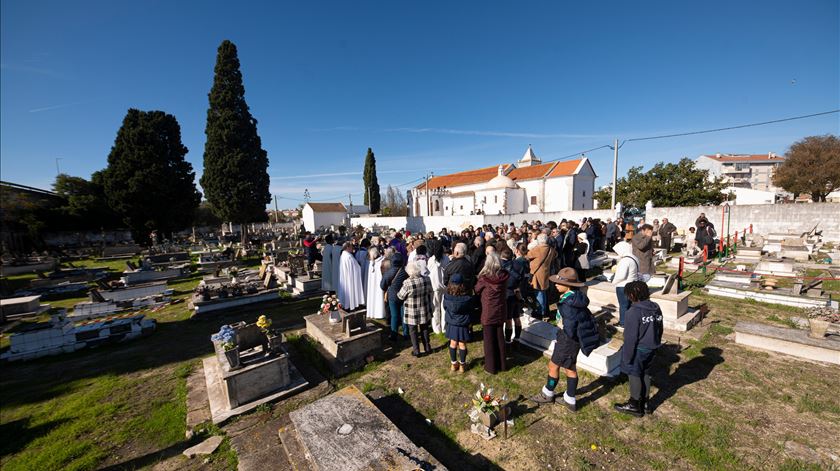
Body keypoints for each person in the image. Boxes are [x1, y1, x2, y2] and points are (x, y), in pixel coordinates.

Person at [530, 268, 600, 411]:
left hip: (568, 340)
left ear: (568, 285)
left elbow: (570, 326)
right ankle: (570, 398)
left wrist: (562, 336)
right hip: (573, 340)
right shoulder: (576, 297)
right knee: (570, 367)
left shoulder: (568, 304)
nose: (555, 285)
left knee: (553, 366)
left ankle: (548, 393)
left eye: (558, 283)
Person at [614, 281, 663, 417]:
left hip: (638, 349)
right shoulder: (655, 307)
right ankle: (646, 403)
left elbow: (631, 338)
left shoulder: (633, 312)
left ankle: (634, 404)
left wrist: (627, 357)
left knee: (634, 374)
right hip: (652, 347)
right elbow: (660, 328)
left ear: (631, 295)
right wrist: (656, 342)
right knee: (645, 373)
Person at [475, 253, 510, 374]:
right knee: (500, 336)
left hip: (489, 311)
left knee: (489, 339)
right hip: (501, 309)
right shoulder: (504, 275)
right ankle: (502, 364)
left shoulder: (484, 278)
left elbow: (476, 290)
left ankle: (490, 367)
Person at [397, 261, 433, 357]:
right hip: (424, 308)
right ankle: (427, 347)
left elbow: (400, 296)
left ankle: (416, 350)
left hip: (412, 311)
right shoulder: (426, 279)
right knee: (424, 328)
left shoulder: (407, 283)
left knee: (413, 331)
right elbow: (430, 291)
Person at [444, 274, 473, 373]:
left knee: (453, 343)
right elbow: (470, 309)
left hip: (452, 322)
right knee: (462, 344)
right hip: (463, 323)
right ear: (462, 284)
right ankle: (462, 365)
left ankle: (453, 364)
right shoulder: (467, 298)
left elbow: (445, 307)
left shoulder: (447, 296)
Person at [526, 234, 557, 319]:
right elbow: (555, 255)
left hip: (537, 273)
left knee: (539, 292)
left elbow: (528, 255)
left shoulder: (539, 248)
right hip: (546, 272)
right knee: (543, 292)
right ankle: (545, 311)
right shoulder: (550, 248)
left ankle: (540, 312)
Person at [611, 241, 640, 326]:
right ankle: (631, 321)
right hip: (632, 284)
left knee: (623, 305)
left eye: (618, 251)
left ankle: (623, 323)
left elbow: (621, 276)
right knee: (630, 304)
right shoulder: (634, 258)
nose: (617, 253)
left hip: (623, 286)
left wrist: (614, 282)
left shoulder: (625, 261)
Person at [502, 246, 527, 345]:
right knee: (517, 317)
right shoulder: (519, 265)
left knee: (508, 319)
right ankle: (517, 338)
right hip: (518, 292)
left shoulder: (502, 266)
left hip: (508, 294)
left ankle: (508, 340)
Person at [381, 253, 409, 341]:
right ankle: (406, 334)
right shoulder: (405, 272)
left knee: (394, 316)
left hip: (392, 296)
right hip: (404, 295)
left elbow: (382, 286)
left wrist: (388, 288)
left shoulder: (388, 272)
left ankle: (394, 335)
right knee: (404, 315)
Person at [427, 239, 450, 334]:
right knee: (444, 308)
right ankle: (444, 327)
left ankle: (437, 328)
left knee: (435, 308)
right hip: (444, 285)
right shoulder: (446, 258)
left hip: (434, 286)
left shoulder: (431, 260)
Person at [338, 242, 365, 311]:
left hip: (345, 276)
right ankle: (351, 304)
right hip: (350, 277)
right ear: (347, 247)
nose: (352, 248)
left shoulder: (343, 255)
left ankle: (346, 304)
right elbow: (356, 267)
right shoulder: (349, 256)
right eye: (351, 246)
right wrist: (359, 265)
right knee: (350, 289)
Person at [366, 247, 387, 319]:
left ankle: (379, 313)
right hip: (375, 285)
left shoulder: (380, 262)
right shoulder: (373, 263)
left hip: (378, 285)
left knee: (378, 297)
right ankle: (376, 313)